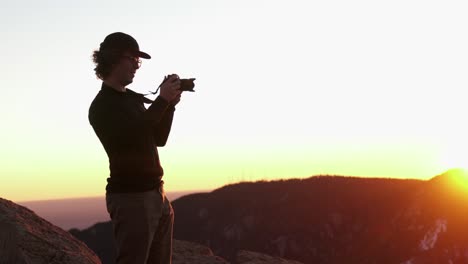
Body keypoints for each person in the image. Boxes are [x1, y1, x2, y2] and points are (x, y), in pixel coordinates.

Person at [88, 32, 182, 264]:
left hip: (155, 195)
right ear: (114, 58)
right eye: (133, 60)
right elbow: (134, 135)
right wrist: (162, 101)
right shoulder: (102, 106)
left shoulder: (131, 99)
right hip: (132, 199)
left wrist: (169, 106)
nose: (137, 67)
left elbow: (157, 138)